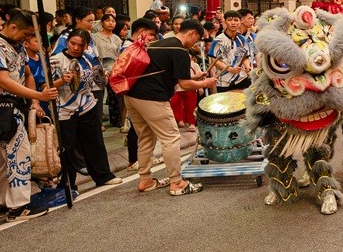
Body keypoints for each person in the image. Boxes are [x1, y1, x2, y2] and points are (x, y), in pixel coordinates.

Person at [122, 18, 216, 196]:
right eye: (197, 39)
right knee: (171, 137)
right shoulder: (179, 50)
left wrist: (196, 78)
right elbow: (185, 85)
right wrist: (205, 83)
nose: (195, 43)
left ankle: (145, 179)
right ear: (192, 33)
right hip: (152, 98)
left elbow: (170, 74)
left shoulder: (157, 44)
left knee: (145, 137)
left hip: (131, 95)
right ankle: (177, 182)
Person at [0, 9, 59, 221]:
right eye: (26, 34)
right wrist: (38, 95)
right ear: (13, 27)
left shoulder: (17, 46)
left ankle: (0, 204)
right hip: (0, 106)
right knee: (18, 153)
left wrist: (34, 101)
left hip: (17, 104)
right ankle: (18, 206)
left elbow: (27, 74)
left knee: (4, 157)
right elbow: (3, 80)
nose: (27, 38)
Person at [49, 30, 121, 192]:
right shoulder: (55, 60)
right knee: (67, 148)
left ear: (86, 46)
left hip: (88, 106)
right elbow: (45, 85)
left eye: (80, 45)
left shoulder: (89, 59)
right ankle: (68, 184)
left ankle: (103, 176)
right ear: (67, 42)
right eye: (72, 43)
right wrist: (62, 80)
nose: (75, 47)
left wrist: (104, 76)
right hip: (65, 110)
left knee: (94, 143)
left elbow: (99, 83)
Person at [93, 13, 123, 127]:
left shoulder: (117, 39)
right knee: (98, 96)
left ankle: (116, 120)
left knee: (114, 96)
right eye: (107, 20)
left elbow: (119, 54)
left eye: (113, 21)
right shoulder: (94, 36)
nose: (110, 23)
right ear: (102, 23)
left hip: (113, 69)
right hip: (98, 69)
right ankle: (98, 122)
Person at [211, 10, 251, 92]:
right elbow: (214, 60)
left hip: (242, 78)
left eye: (236, 20)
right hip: (224, 81)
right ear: (225, 22)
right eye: (229, 20)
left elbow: (246, 57)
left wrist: (248, 66)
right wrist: (230, 69)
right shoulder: (218, 40)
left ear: (240, 22)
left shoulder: (242, 39)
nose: (233, 23)